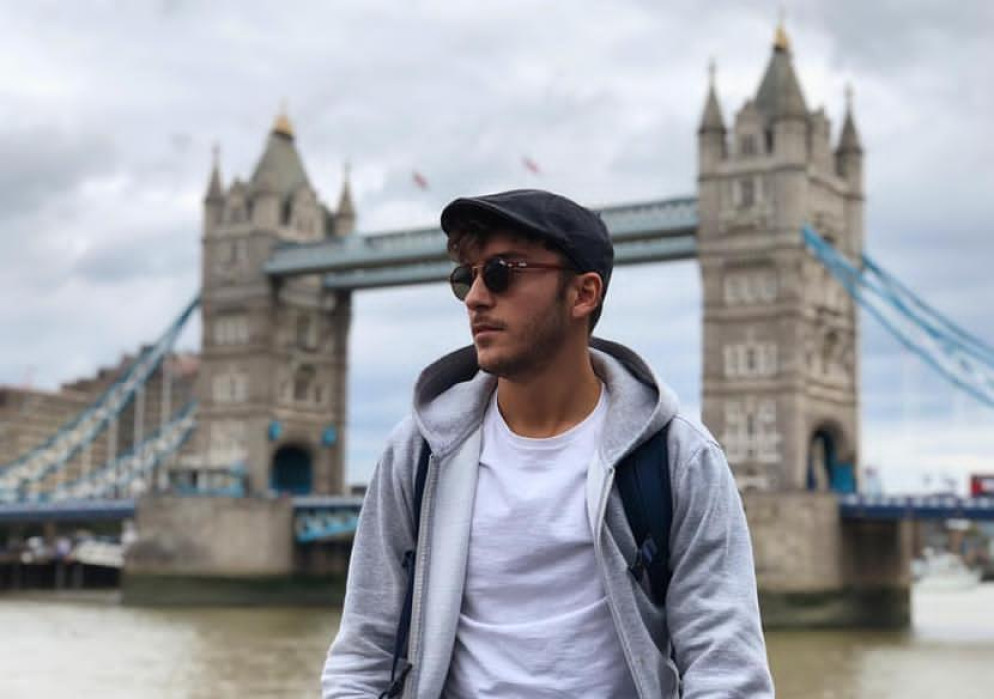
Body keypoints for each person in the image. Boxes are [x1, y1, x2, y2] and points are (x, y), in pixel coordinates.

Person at [322, 189, 774, 698]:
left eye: (501, 273)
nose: (475, 297)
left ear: (583, 294)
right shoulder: (419, 451)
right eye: (466, 277)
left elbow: (726, 671)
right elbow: (362, 654)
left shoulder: (678, 458)